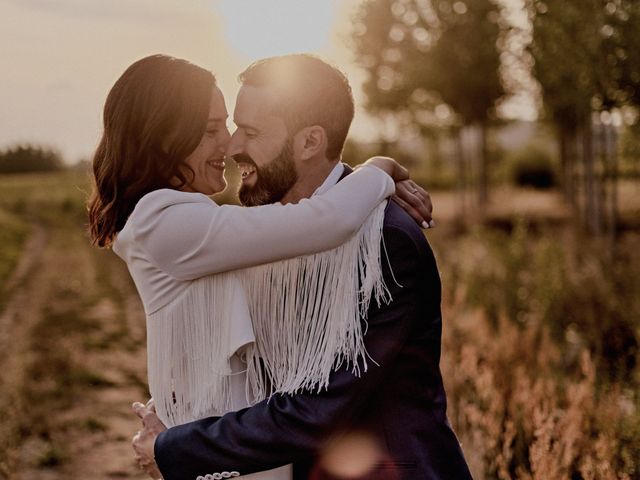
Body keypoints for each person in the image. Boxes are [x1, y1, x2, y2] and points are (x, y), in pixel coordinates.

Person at [87, 54, 432, 480]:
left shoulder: (384, 238)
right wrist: (376, 170)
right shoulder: (186, 222)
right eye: (216, 129)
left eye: (245, 131)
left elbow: (319, 406)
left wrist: (176, 444)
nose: (231, 146)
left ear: (309, 142)